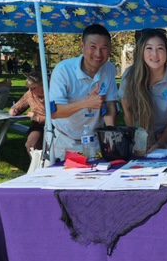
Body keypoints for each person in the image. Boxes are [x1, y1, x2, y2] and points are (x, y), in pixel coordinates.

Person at [49, 24, 118, 161]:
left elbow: (110, 104)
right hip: (65, 142)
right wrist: (86, 103)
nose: (98, 54)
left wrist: (110, 136)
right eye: (93, 47)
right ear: (83, 47)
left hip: (95, 141)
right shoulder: (63, 70)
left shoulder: (109, 69)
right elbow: (55, 112)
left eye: (104, 48)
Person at [120, 29, 167, 152]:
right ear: (141, 51)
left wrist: (160, 143)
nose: (155, 54)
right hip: (137, 142)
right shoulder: (129, 75)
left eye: (160, 48)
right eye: (149, 48)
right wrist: (136, 141)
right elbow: (128, 112)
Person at [9, 72, 46, 154]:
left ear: (42, 85)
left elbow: (58, 116)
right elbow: (18, 105)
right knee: (31, 145)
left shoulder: (53, 93)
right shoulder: (30, 94)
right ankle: (36, 164)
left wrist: (37, 117)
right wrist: (14, 110)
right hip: (38, 126)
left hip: (56, 126)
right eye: (30, 88)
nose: (31, 91)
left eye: (34, 88)